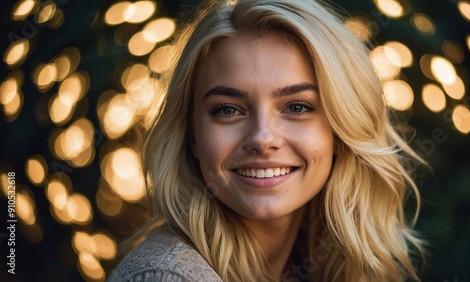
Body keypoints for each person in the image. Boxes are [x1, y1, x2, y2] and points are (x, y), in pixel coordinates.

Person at [109, 0, 425, 281]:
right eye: (228, 110)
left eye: (297, 107)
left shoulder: (326, 264)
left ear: (340, 132)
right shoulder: (165, 277)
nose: (262, 138)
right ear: (192, 135)